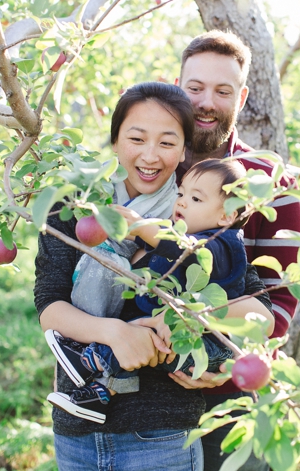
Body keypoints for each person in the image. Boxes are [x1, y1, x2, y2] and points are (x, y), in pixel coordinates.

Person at [35, 82, 277, 470]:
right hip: (76, 430)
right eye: (136, 138)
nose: (150, 155)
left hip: (163, 436)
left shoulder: (193, 215)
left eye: (167, 142)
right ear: (115, 141)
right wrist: (115, 334)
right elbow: (49, 305)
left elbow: (260, 314)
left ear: (184, 150)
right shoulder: (74, 206)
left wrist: (195, 330)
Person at [173, 30, 300, 471]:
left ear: (242, 97)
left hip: (231, 402)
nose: (206, 102)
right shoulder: (149, 169)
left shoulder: (268, 183)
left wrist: (229, 368)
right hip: (145, 403)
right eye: (195, 88)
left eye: (222, 91)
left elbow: (281, 301)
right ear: (178, 88)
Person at [44, 158, 250, 424]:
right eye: (181, 193)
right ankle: (97, 397)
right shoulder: (184, 233)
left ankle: (88, 360)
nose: (182, 202)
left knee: (146, 338)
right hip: (179, 337)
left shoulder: (224, 246)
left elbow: (187, 249)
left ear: (227, 216)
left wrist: (141, 227)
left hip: (207, 348)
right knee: (139, 336)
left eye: (196, 199)